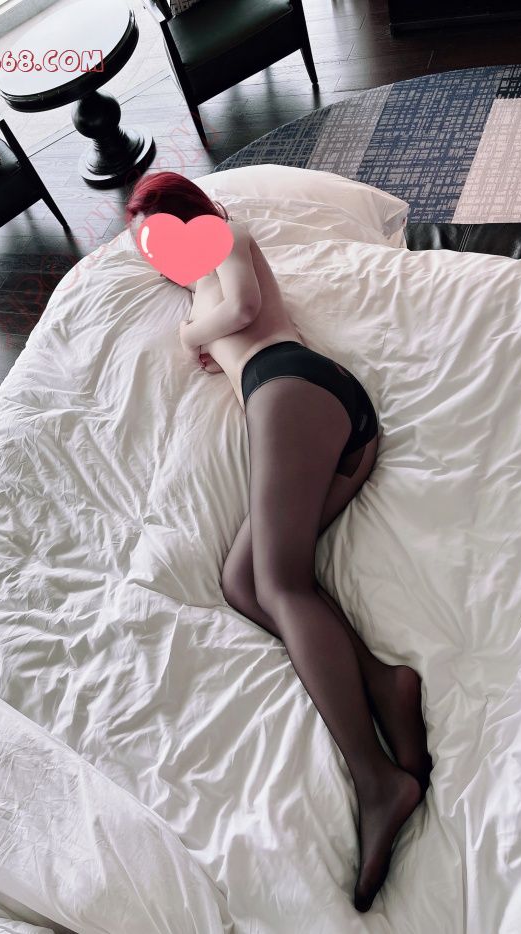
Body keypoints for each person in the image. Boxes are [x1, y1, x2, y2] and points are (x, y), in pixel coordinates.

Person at [125, 171, 432, 913]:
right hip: (311, 417)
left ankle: (377, 780)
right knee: (244, 582)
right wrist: (199, 321)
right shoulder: (196, 281)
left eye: (156, 236)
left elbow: (243, 307)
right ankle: (384, 684)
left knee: (281, 583)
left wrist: (192, 333)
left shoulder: (225, 236)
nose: (157, 255)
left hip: (293, 385)